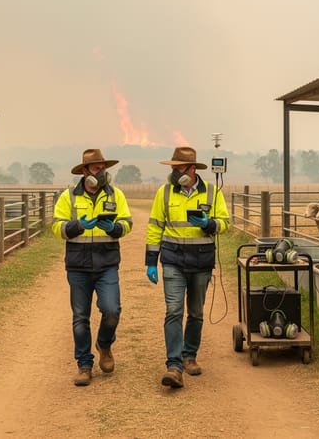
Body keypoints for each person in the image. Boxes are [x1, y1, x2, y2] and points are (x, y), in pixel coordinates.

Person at [144, 146, 230, 389]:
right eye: (172, 168)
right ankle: (174, 365)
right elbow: (154, 227)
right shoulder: (165, 192)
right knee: (173, 310)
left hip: (202, 262)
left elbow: (225, 223)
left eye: (178, 167)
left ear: (192, 169)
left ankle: (189, 355)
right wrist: (151, 261)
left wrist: (209, 223)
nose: (174, 172)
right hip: (173, 261)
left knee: (196, 312)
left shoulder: (212, 193)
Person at [52, 149, 132, 386]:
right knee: (80, 317)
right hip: (78, 265)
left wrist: (113, 229)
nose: (102, 171)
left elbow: (127, 224)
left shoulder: (116, 195)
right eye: (96, 168)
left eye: (103, 167)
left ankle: (104, 345)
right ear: (85, 171)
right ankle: (84, 365)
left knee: (112, 310)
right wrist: (77, 226)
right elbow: (57, 228)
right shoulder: (69, 197)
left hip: (107, 263)